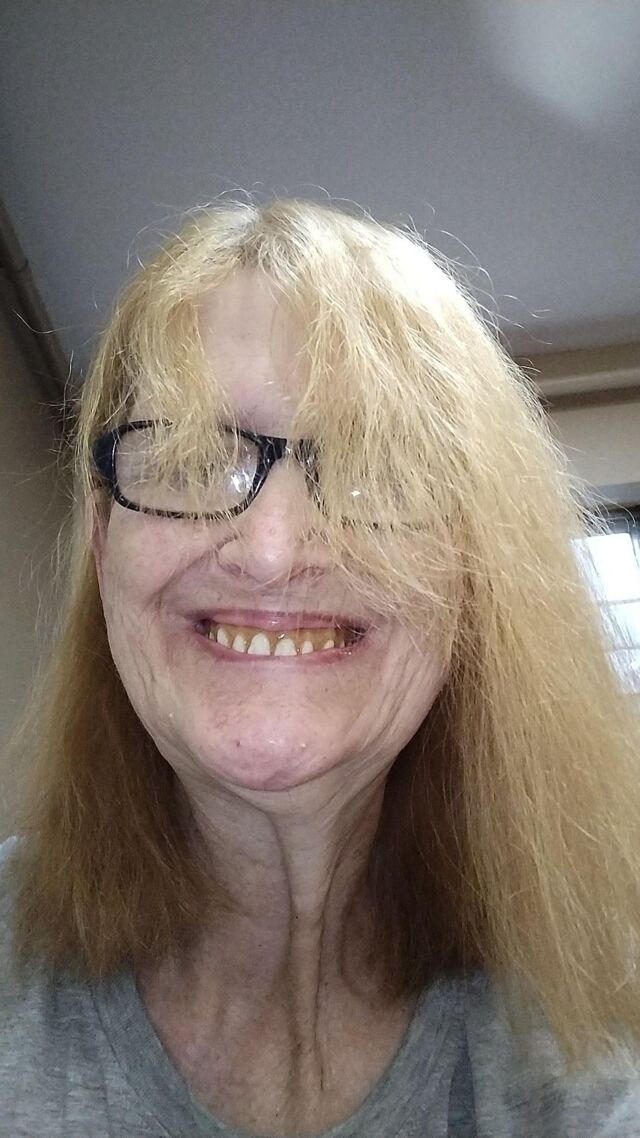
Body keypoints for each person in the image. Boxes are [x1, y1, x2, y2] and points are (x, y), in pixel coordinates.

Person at [1, 197, 640, 1138]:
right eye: (189, 459)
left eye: (380, 470)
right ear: (104, 546)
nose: (270, 552)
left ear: (474, 575)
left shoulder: (600, 1014)